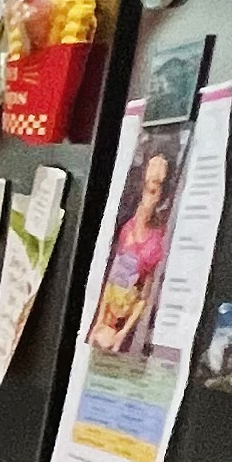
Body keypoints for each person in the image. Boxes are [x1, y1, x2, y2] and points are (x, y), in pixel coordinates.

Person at [89, 140, 178, 355]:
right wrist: (103, 322)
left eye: (154, 188)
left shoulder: (154, 241)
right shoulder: (129, 228)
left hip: (131, 296)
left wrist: (117, 329)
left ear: (161, 195)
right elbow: (115, 284)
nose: (147, 198)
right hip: (121, 295)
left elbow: (143, 291)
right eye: (147, 186)